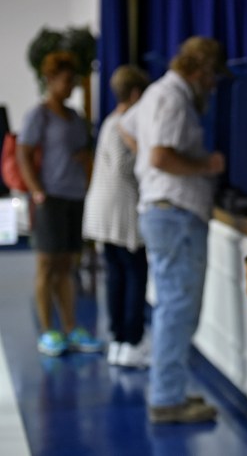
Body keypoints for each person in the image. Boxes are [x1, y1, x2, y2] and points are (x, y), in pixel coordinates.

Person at [120, 36, 227, 424]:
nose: (213, 86)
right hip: (175, 213)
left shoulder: (154, 92)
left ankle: (169, 392)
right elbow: (161, 155)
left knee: (172, 309)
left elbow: (124, 127)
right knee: (177, 311)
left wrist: (148, 169)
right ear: (200, 71)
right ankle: (166, 400)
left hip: (164, 211)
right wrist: (206, 166)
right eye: (212, 77)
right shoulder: (174, 97)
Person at [17, 50, 103, 357]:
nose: (70, 87)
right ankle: (47, 331)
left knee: (67, 266)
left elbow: (84, 150)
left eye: (74, 82)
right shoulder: (39, 116)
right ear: (50, 80)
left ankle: (70, 327)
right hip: (49, 198)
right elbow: (23, 153)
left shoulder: (76, 117)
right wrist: (37, 190)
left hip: (74, 196)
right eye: (66, 81)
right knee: (46, 265)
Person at [82, 65, 151, 368]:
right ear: (136, 93)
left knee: (116, 276)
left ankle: (119, 340)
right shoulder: (127, 123)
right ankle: (131, 341)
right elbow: (126, 167)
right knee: (134, 274)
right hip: (122, 211)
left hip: (104, 211)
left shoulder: (111, 120)